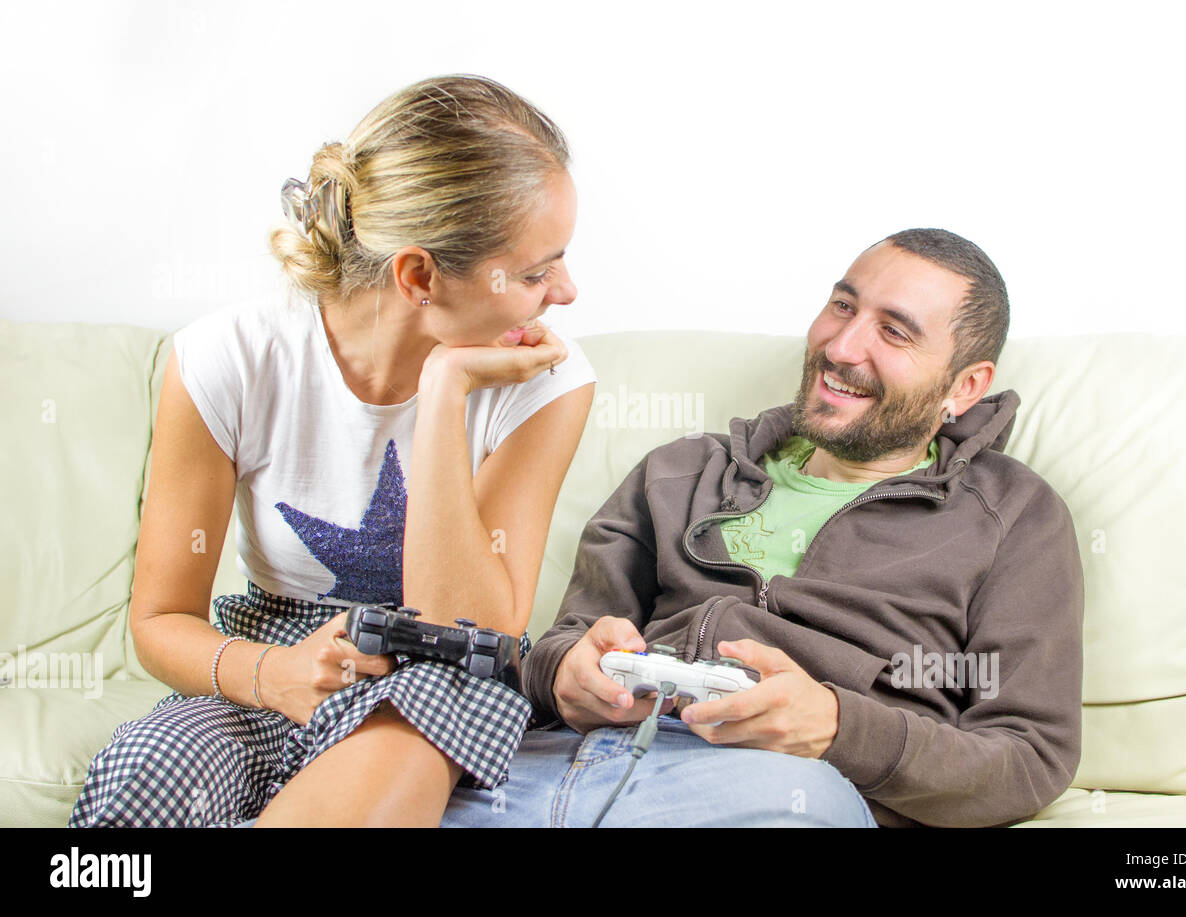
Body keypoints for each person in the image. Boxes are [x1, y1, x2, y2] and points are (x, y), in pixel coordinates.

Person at [68, 75, 595, 828]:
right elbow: (159, 620)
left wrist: (445, 390)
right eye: (539, 271)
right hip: (270, 651)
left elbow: (472, 626)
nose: (567, 292)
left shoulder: (548, 382)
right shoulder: (228, 358)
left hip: (442, 672)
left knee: (402, 744)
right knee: (148, 764)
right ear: (419, 275)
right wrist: (274, 673)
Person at [442, 228, 1084, 828]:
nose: (841, 348)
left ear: (965, 387)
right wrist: (564, 673)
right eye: (841, 306)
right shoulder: (682, 469)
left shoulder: (1013, 516)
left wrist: (837, 728)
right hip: (554, 764)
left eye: (893, 332)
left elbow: (1029, 757)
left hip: (780, 786)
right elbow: (567, 641)